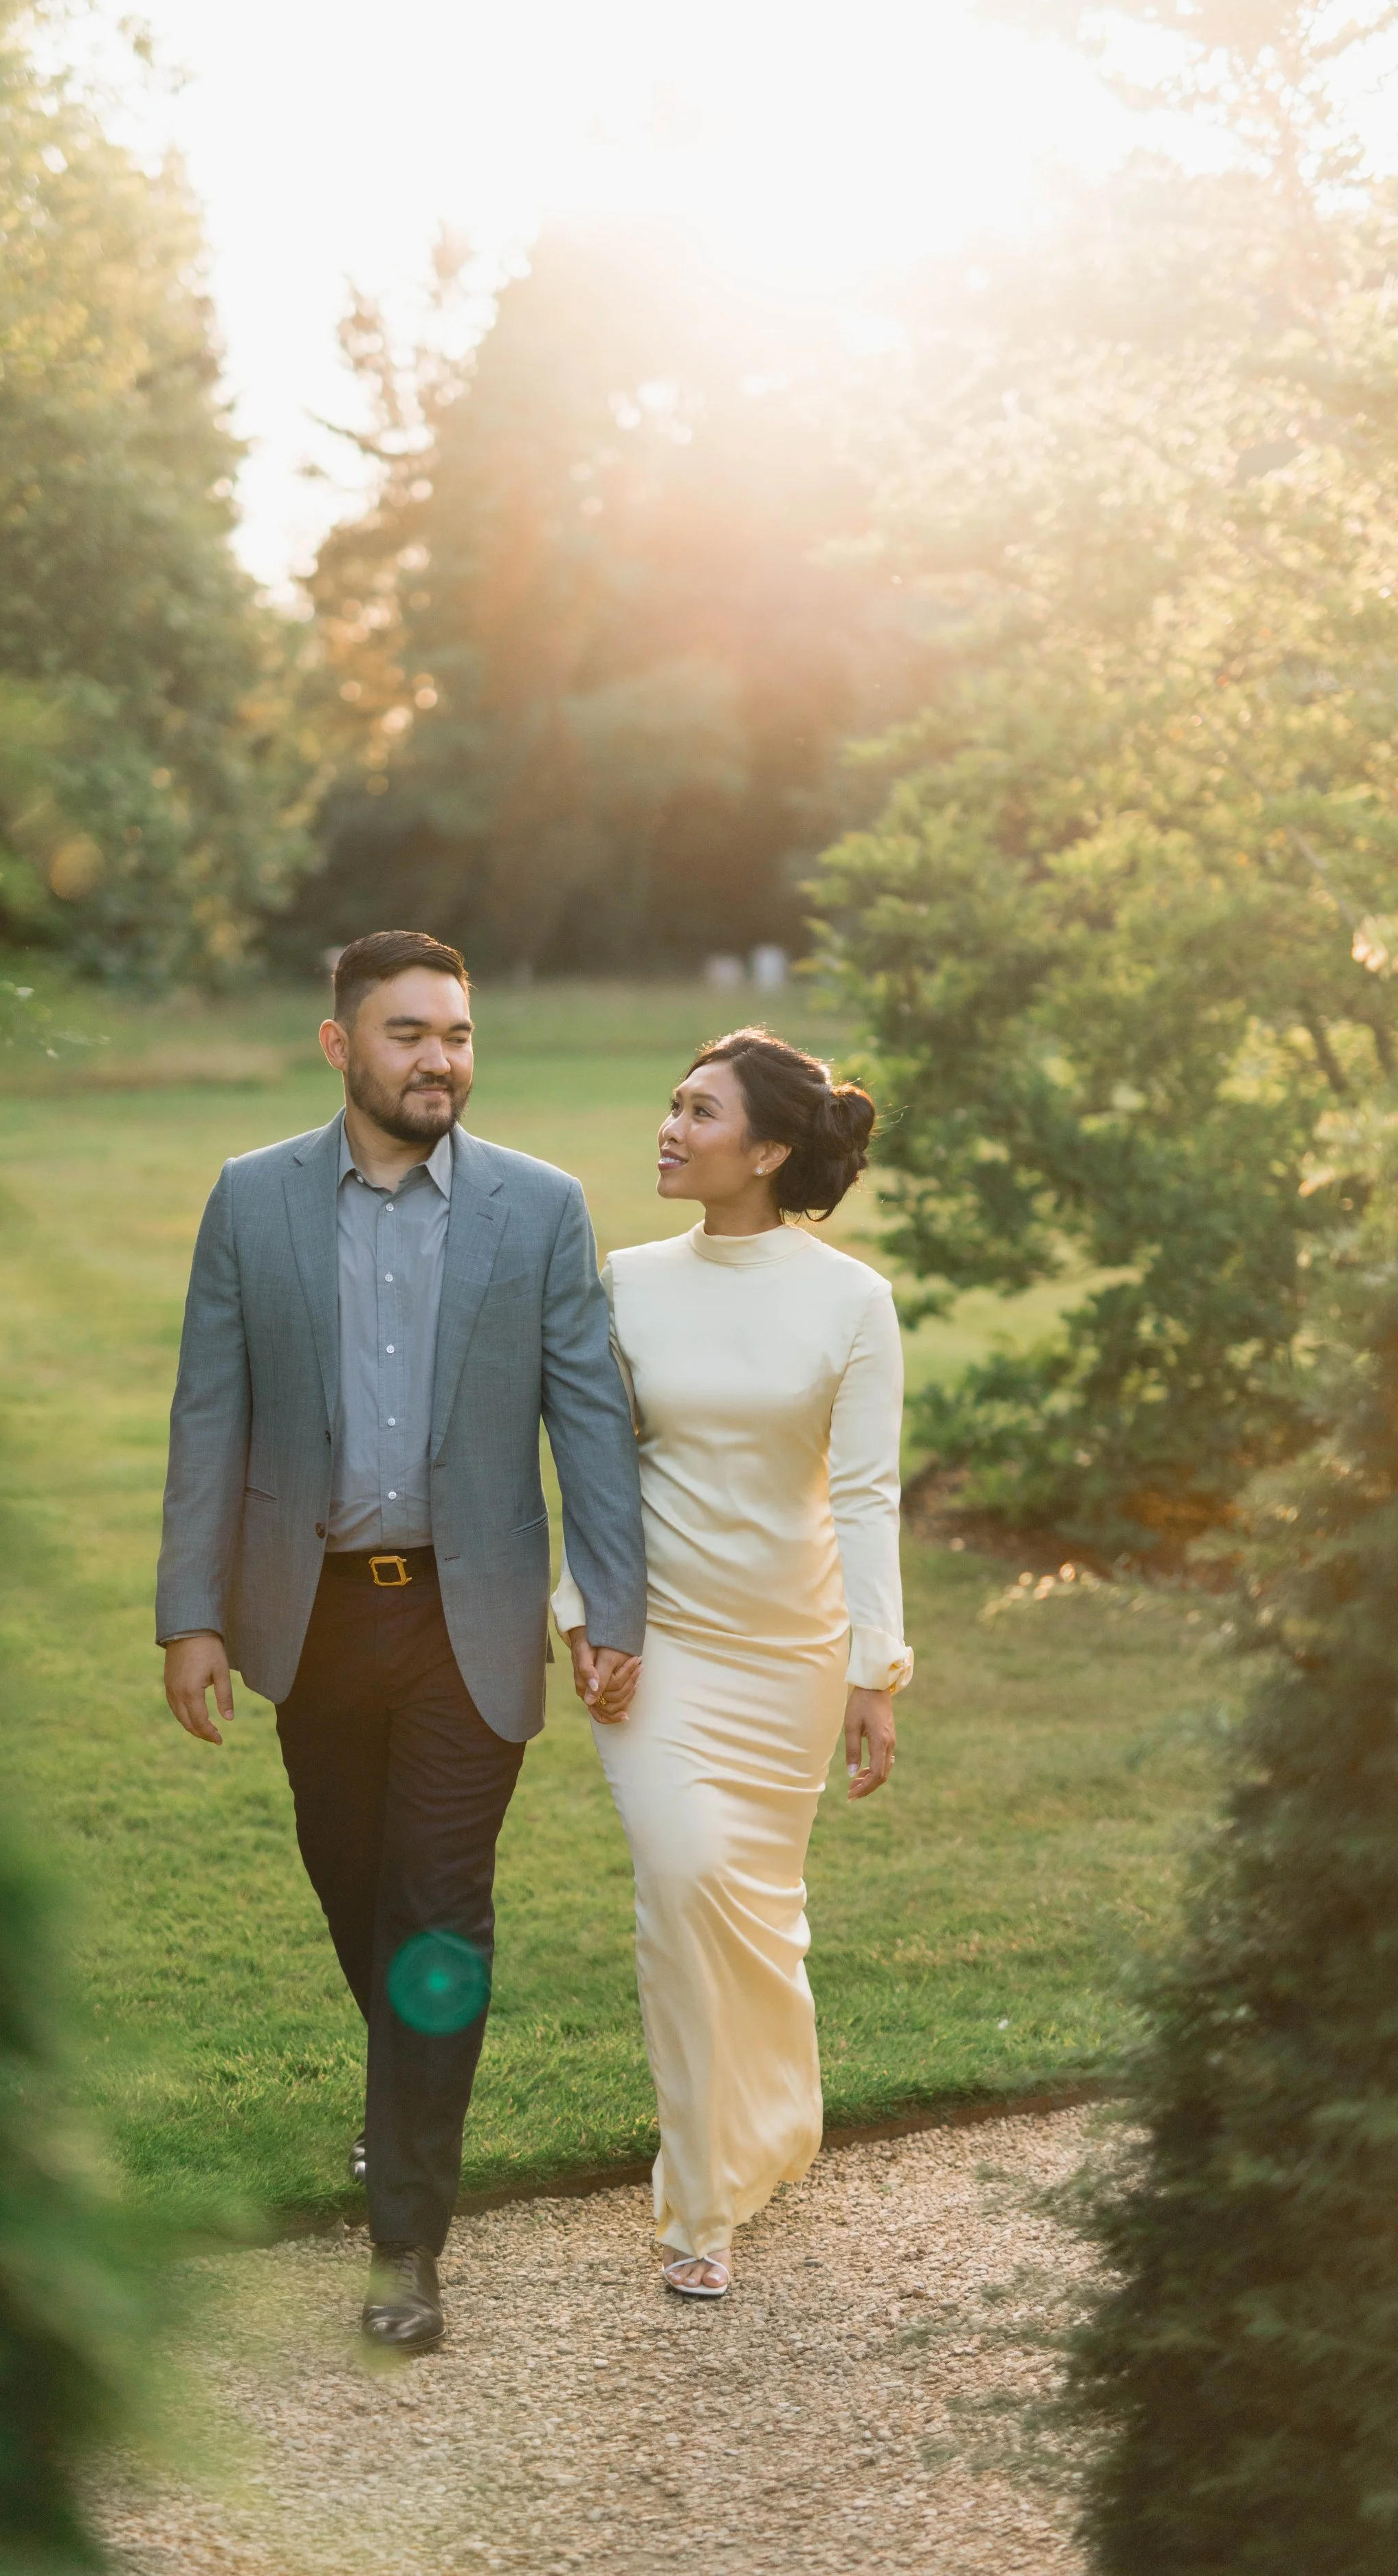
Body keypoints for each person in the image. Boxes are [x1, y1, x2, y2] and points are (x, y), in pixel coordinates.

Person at [155, 930, 645, 2353]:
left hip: (466, 1618)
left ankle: (406, 2238)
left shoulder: (536, 1208)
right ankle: (404, 2096)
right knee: (354, 1882)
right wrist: (190, 1610)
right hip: (310, 1617)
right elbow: (210, 1413)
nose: (440, 1058)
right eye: (409, 1032)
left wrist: (608, 1604)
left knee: (437, 1908)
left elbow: (588, 1423)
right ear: (341, 1045)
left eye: (458, 1033)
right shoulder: (250, 1201)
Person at [553, 1026, 911, 2299]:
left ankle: (773, 2125)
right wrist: (586, 1612)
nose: (670, 1127)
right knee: (684, 1882)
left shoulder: (851, 1302)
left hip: (791, 1658)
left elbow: (866, 1494)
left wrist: (878, 1667)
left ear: (765, 1150)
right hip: (660, 1649)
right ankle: (700, 2203)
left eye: (699, 1113)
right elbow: (593, 1474)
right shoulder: (626, 1280)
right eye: (670, 1104)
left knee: (752, 1908)